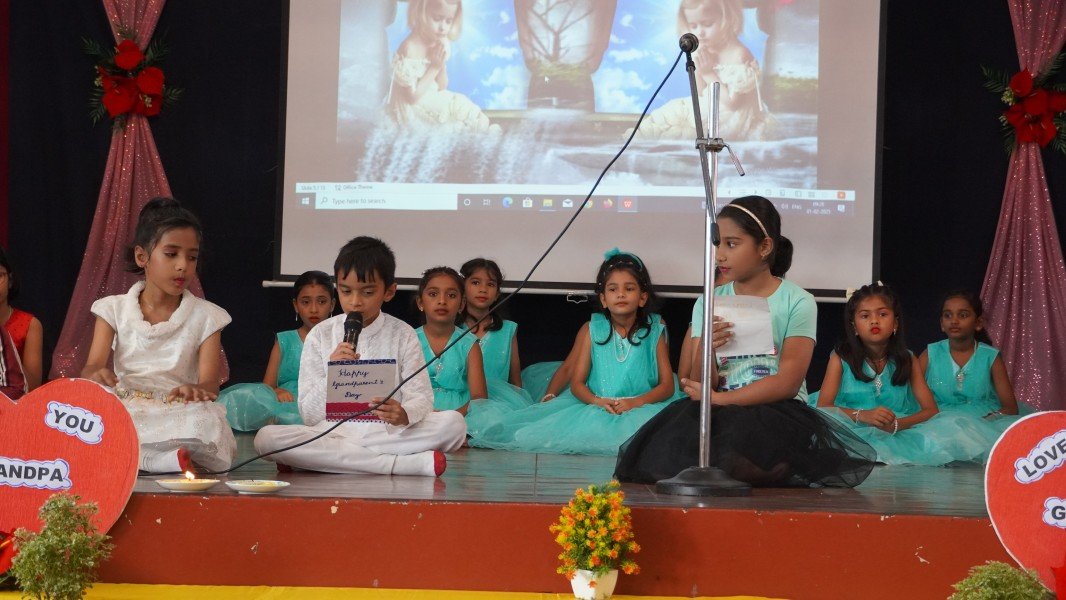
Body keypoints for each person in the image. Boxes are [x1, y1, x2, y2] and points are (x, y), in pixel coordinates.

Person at [616, 196, 875, 486]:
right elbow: (699, 381)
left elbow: (788, 382)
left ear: (764, 247)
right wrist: (707, 348)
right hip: (718, 406)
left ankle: (767, 467)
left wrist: (721, 399)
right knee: (665, 460)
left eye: (732, 244)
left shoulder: (797, 301)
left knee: (739, 453)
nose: (720, 256)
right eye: (718, 244)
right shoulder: (708, 301)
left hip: (777, 409)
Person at [253, 237, 466, 476]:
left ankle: (327, 460)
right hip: (334, 431)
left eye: (367, 292)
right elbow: (309, 416)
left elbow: (422, 397)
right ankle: (399, 465)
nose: (355, 302)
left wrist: (404, 414)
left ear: (389, 291)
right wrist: (333, 373)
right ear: (337, 288)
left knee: (454, 425)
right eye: (346, 291)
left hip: (387, 432)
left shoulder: (403, 333)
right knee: (266, 439)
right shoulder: (321, 334)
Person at [470, 249, 683, 455]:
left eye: (629, 288)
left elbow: (667, 385)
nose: (620, 294)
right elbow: (576, 382)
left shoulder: (655, 329)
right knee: (538, 435)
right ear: (603, 299)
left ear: (643, 297)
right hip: (599, 407)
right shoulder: (593, 329)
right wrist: (596, 401)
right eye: (612, 289)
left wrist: (634, 403)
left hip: (641, 408)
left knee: (660, 440)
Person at [82, 197, 236, 473]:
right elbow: (91, 366)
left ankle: (140, 458)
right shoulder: (112, 309)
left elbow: (210, 385)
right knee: (94, 412)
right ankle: (157, 460)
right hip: (128, 406)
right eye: (171, 254)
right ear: (142, 257)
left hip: (179, 410)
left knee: (206, 421)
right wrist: (97, 374)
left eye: (192, 257)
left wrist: (197, 391)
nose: (183, 266)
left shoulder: (208, 316)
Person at [812, 284, 999, 466]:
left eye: (882, 314)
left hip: (896, 430)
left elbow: (931, 410)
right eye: (865, 316)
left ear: (895, 323)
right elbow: (824, 406)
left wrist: (897, 425)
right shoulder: (840, 359)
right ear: (854, 326)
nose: (874, 321)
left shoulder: (907, 359)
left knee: (952, 430)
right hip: (851, 427)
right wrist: (863, 415)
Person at [632, 0, 771, 141]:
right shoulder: (704, 50)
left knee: (682, 125)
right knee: (672, 115)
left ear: (727, 19)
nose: (700, 32)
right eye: (693, 26)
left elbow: (732, 104)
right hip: (711, 108)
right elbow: (700, 93)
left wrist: (707, 73)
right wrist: (698, 69)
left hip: (733, 119)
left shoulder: (738, 54)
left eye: (707, 24)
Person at [218, 270, 335, 431]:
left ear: (332, 305)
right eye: (306, 302)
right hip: (288, 402)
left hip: (323, 402)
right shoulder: (285, 340)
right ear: (296, 305)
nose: (314, 309)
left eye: (321, 302)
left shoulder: (340, 340)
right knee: (249, 398)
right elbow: (268, 385)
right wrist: (277, 391)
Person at [416, 266, 524, 437]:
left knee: (488, 424)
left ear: (461, 304)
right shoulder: (408, 340)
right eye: (433, 294)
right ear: (420, 303)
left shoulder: (469, 344)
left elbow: (479, 397)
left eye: (451, 295)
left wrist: (450, 418)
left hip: (460, 414)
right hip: (417, 413)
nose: (442, 301)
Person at [919, 290, 1036, 437]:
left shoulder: (990, 357)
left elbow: (1010, 408)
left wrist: (980, 424)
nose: (954, 321)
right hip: (937, 422)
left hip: (983, 421)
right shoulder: (930, 354)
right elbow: (911, 395)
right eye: (948, 315)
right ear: (942, 324)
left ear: (978, 323)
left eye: (963, 315)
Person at [385, 0, 500, 133]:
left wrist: (440, 65)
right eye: (437, 19)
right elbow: (411, 98)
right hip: (412, 108)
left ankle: (483, 130)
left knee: (459, 103)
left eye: (448, 21)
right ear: (421, 13)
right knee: (450, 112)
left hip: (431, 95)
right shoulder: (409, 48)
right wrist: (435, 67)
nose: (443, 27)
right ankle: (477, 132)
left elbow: (441, 86)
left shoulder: (440, 42)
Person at [0, 246, 43, 390]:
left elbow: (33, 386)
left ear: (10, 280)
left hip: (14, 401)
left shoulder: (30, 324)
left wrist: (4, 344)